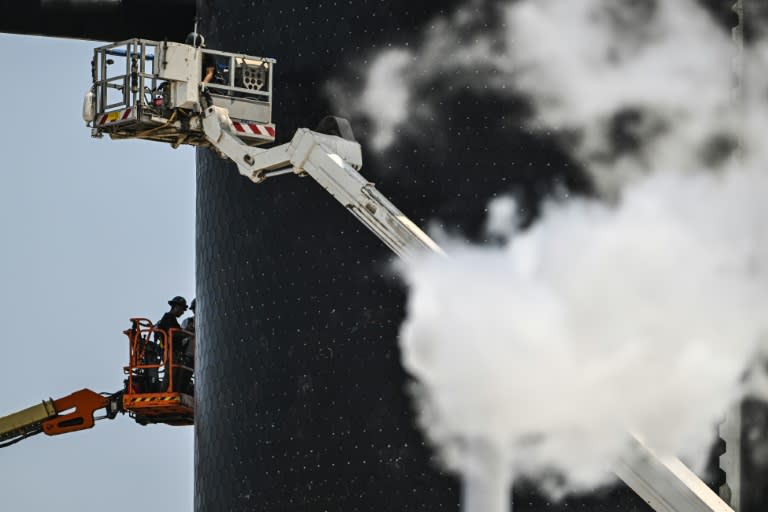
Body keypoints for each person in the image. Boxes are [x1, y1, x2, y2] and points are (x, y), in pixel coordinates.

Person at [155, 296, 188, 392]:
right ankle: (164, 393)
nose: (182, 312)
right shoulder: (168, 318)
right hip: (168, 350)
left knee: (175, 371)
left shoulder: (171, 319)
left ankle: (171, 391)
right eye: (182, 309)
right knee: (170, 372)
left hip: (171, 350)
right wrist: (185, 332)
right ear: (176, 307)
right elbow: (174, 333)